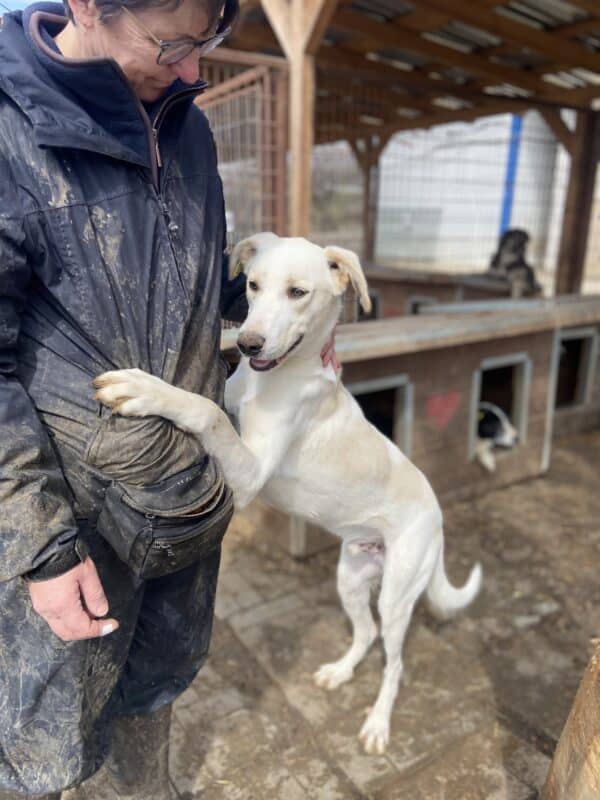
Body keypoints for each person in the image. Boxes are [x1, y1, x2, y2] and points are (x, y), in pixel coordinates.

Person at [0, 0, 247, 797]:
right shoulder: (12, 136)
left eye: (206, 41)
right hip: (73, 521)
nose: (193, 71)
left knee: (159, 684)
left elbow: (198, 273)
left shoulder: (187, 127)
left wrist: (284, 315)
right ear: (83, 7)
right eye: (172, 43)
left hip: (183, 496)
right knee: (51, 733)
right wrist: (37, 545)